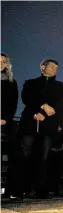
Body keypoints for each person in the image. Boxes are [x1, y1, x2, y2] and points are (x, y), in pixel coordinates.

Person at [18, 58, 63, 199]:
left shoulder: (60, 86)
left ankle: (41, 190)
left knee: (44, 157)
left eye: (56, 68)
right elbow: (28, 98)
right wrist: (39, 108)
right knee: (25, 155)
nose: (54, 70)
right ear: (43, 67)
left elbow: (59, 104)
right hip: (30, 122)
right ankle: (22, 189)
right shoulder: (31, 83)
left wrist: (46, 112)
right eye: (51, 67)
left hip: (48, 125)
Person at [1, 53, 19, 199]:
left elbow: (13, 103)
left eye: (4, 61)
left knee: (14, 155)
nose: (2, 63)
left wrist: (5, 119)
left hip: (6, 122)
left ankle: (11, 190)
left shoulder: (11, 82)